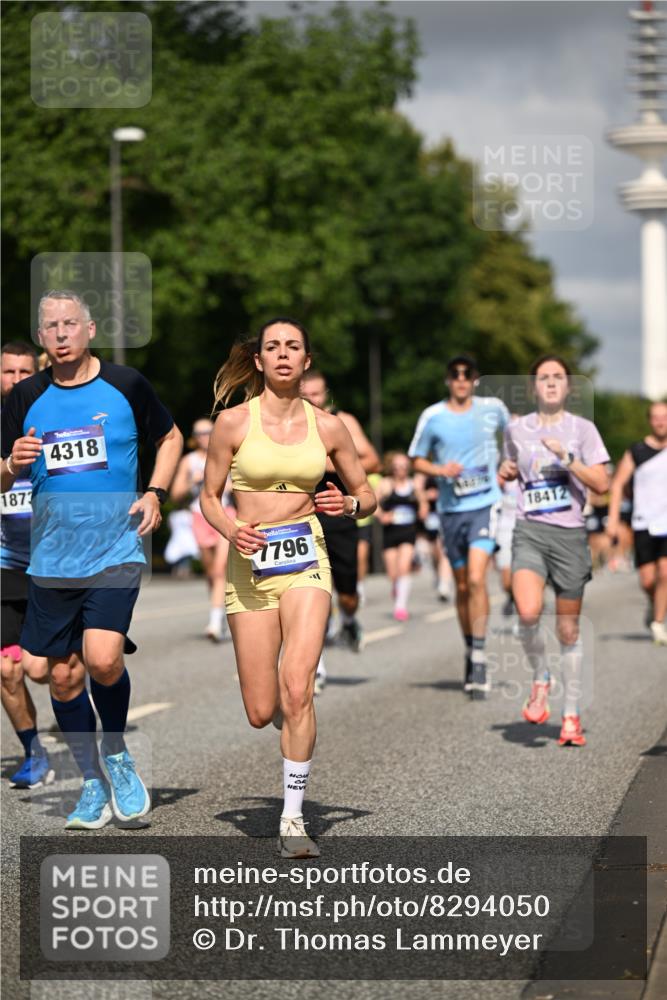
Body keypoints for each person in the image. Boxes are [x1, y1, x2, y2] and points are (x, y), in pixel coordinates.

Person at [1, 291, 183, 828]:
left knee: (102, 660)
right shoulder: (26, 397)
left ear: (89, 328)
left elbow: (169, 438)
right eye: (50, 327)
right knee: (61, 679)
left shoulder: (126, 385)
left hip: (115, 550)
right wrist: (11, 462)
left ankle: (118, 754)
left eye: (69, 324)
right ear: (40, 338)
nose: (60, 334)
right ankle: (90, 783)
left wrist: (155, 492)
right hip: (51, 560)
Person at [200, 318, 375, 858]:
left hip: (306, 562)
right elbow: (209, 497)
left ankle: (293, 818)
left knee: (297, 686)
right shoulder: (231, 423)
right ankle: (289, 718)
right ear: (258, 361)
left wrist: (346, 505)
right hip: (249, 567)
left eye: (292, 347)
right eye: (271, 347)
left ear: (306, 361)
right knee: (261, 708)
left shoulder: (329, 427)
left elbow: (366, 493)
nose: (281, 355)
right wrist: (233, 529)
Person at [500, 355, 610, 747]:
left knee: (567, 629)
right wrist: (506, 472)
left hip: (570, 536)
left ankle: (570, 715)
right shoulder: (517, 429)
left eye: (557, 377)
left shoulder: (583, 430)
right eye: (543, 377)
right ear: (533, 387)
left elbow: (602, 484)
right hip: (529, 531)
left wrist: (567, 457)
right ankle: (541, 677)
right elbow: (508, 470)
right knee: (528, 613)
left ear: (568, 387)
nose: (550, 383)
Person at [1, 340, 84, 788]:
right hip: (6, 565)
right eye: (7, 373)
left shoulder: (60, 418)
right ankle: (34, 752)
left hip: (58, 560)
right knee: (8, 668)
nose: (16, 381)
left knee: (41, 668)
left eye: (23, 372)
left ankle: (77, 687)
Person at [409, 354, 509, 696]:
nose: (461, 379)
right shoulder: (433, 417)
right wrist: (439, 471)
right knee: (463, 585)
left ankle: (480, 655)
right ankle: (470, 645)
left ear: (476, 379)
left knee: (479, 578)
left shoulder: (493, 408)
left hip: (485, 504)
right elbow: (416, 459)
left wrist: (507, 466)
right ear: (448, 380)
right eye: (455, 374)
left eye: (468, 374)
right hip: (451, 511)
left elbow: (514, 439)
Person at [300, 370, 380, 653]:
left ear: (327, 394)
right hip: (301, 518)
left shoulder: (341, 422)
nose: (311, 400)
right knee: (309, 593)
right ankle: (315, 665)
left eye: (316, 394)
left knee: (347, 594)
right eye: (305, 395)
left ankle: (348, 617)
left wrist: (333, 463)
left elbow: (372, 459)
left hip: (338, 513)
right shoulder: (288, 424)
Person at [606, 400, 667, 645]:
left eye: (665, 416)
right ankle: (656, 604)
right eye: (656, 417)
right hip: (644, 522)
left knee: (665, 571)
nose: (661, 421)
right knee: (647, 580)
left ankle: (658, 623)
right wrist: (612, 519)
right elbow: (618, 484)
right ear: (649, 420)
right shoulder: (637, 451)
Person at [170, 419, 234, 640]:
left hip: (225, 513)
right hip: (199, 516)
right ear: (194, 437)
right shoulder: (189, 461)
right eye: (200, 433)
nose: (205, 436)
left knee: (219, 569)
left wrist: (228, 485)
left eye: (209, 432)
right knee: (210, 572)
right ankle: (218, 611)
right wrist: (192, 482)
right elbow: (175, 494)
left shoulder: (228, 453)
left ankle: (215, 622)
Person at [375, 453, 428, 621]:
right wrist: (382, 515)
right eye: (397, 467)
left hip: (408, 531)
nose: (401, 470)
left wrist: (423, 511)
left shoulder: (413, 486)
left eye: (404, 467)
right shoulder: (385, 484)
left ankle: (400, 607)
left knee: (404, 567)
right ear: (392, 468)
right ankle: (397, 589)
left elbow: (424, 502)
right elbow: (372, 504)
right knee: (393, 573)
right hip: (390, 532)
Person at [414, 472, 454, 603]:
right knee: (434, 553)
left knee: (443, 551)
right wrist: (425, 498)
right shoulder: (421, 474)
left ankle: (444, 585)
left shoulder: (449, 467)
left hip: (444, 514)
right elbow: (416, 491)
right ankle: (438, 576)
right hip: (428, 518)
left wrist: (439, 494)